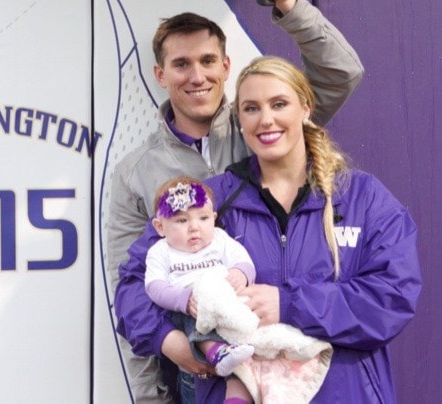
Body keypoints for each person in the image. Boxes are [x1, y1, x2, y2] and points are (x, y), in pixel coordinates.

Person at [106, 0, 364, 403]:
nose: (197, 75)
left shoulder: (264, 126)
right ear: (160, 75)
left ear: (226, 65)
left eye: (208, 61)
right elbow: (130, 288)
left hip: (288, 347)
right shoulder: (133, 173)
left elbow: (342, 74)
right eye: (181, 64)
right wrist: (160, 369)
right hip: (205, 368)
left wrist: (286, 3)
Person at [116, 55, 422, 402]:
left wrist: (289, 304)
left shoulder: (362, 199)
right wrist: (168, 340)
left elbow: (392, 298)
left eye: (279, 104)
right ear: (240, 121)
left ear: (305, 109)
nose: (266, 120)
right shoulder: (211, 201)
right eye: (251, 108)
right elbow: (133, 283)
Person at [145, 176, 256, 404]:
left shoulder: (220, 240)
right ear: (160, 226)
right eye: (181, 220)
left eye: (203, 218)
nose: (194, 227)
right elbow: (154, 287)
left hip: (226, 305)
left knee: (243, 360)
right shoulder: (160, 252)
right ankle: (213, 349)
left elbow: (244, 262)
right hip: (191, 310)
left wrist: (241, 274)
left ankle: (236, 398)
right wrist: (184, 300)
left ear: (214, 218)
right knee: (190, 319)